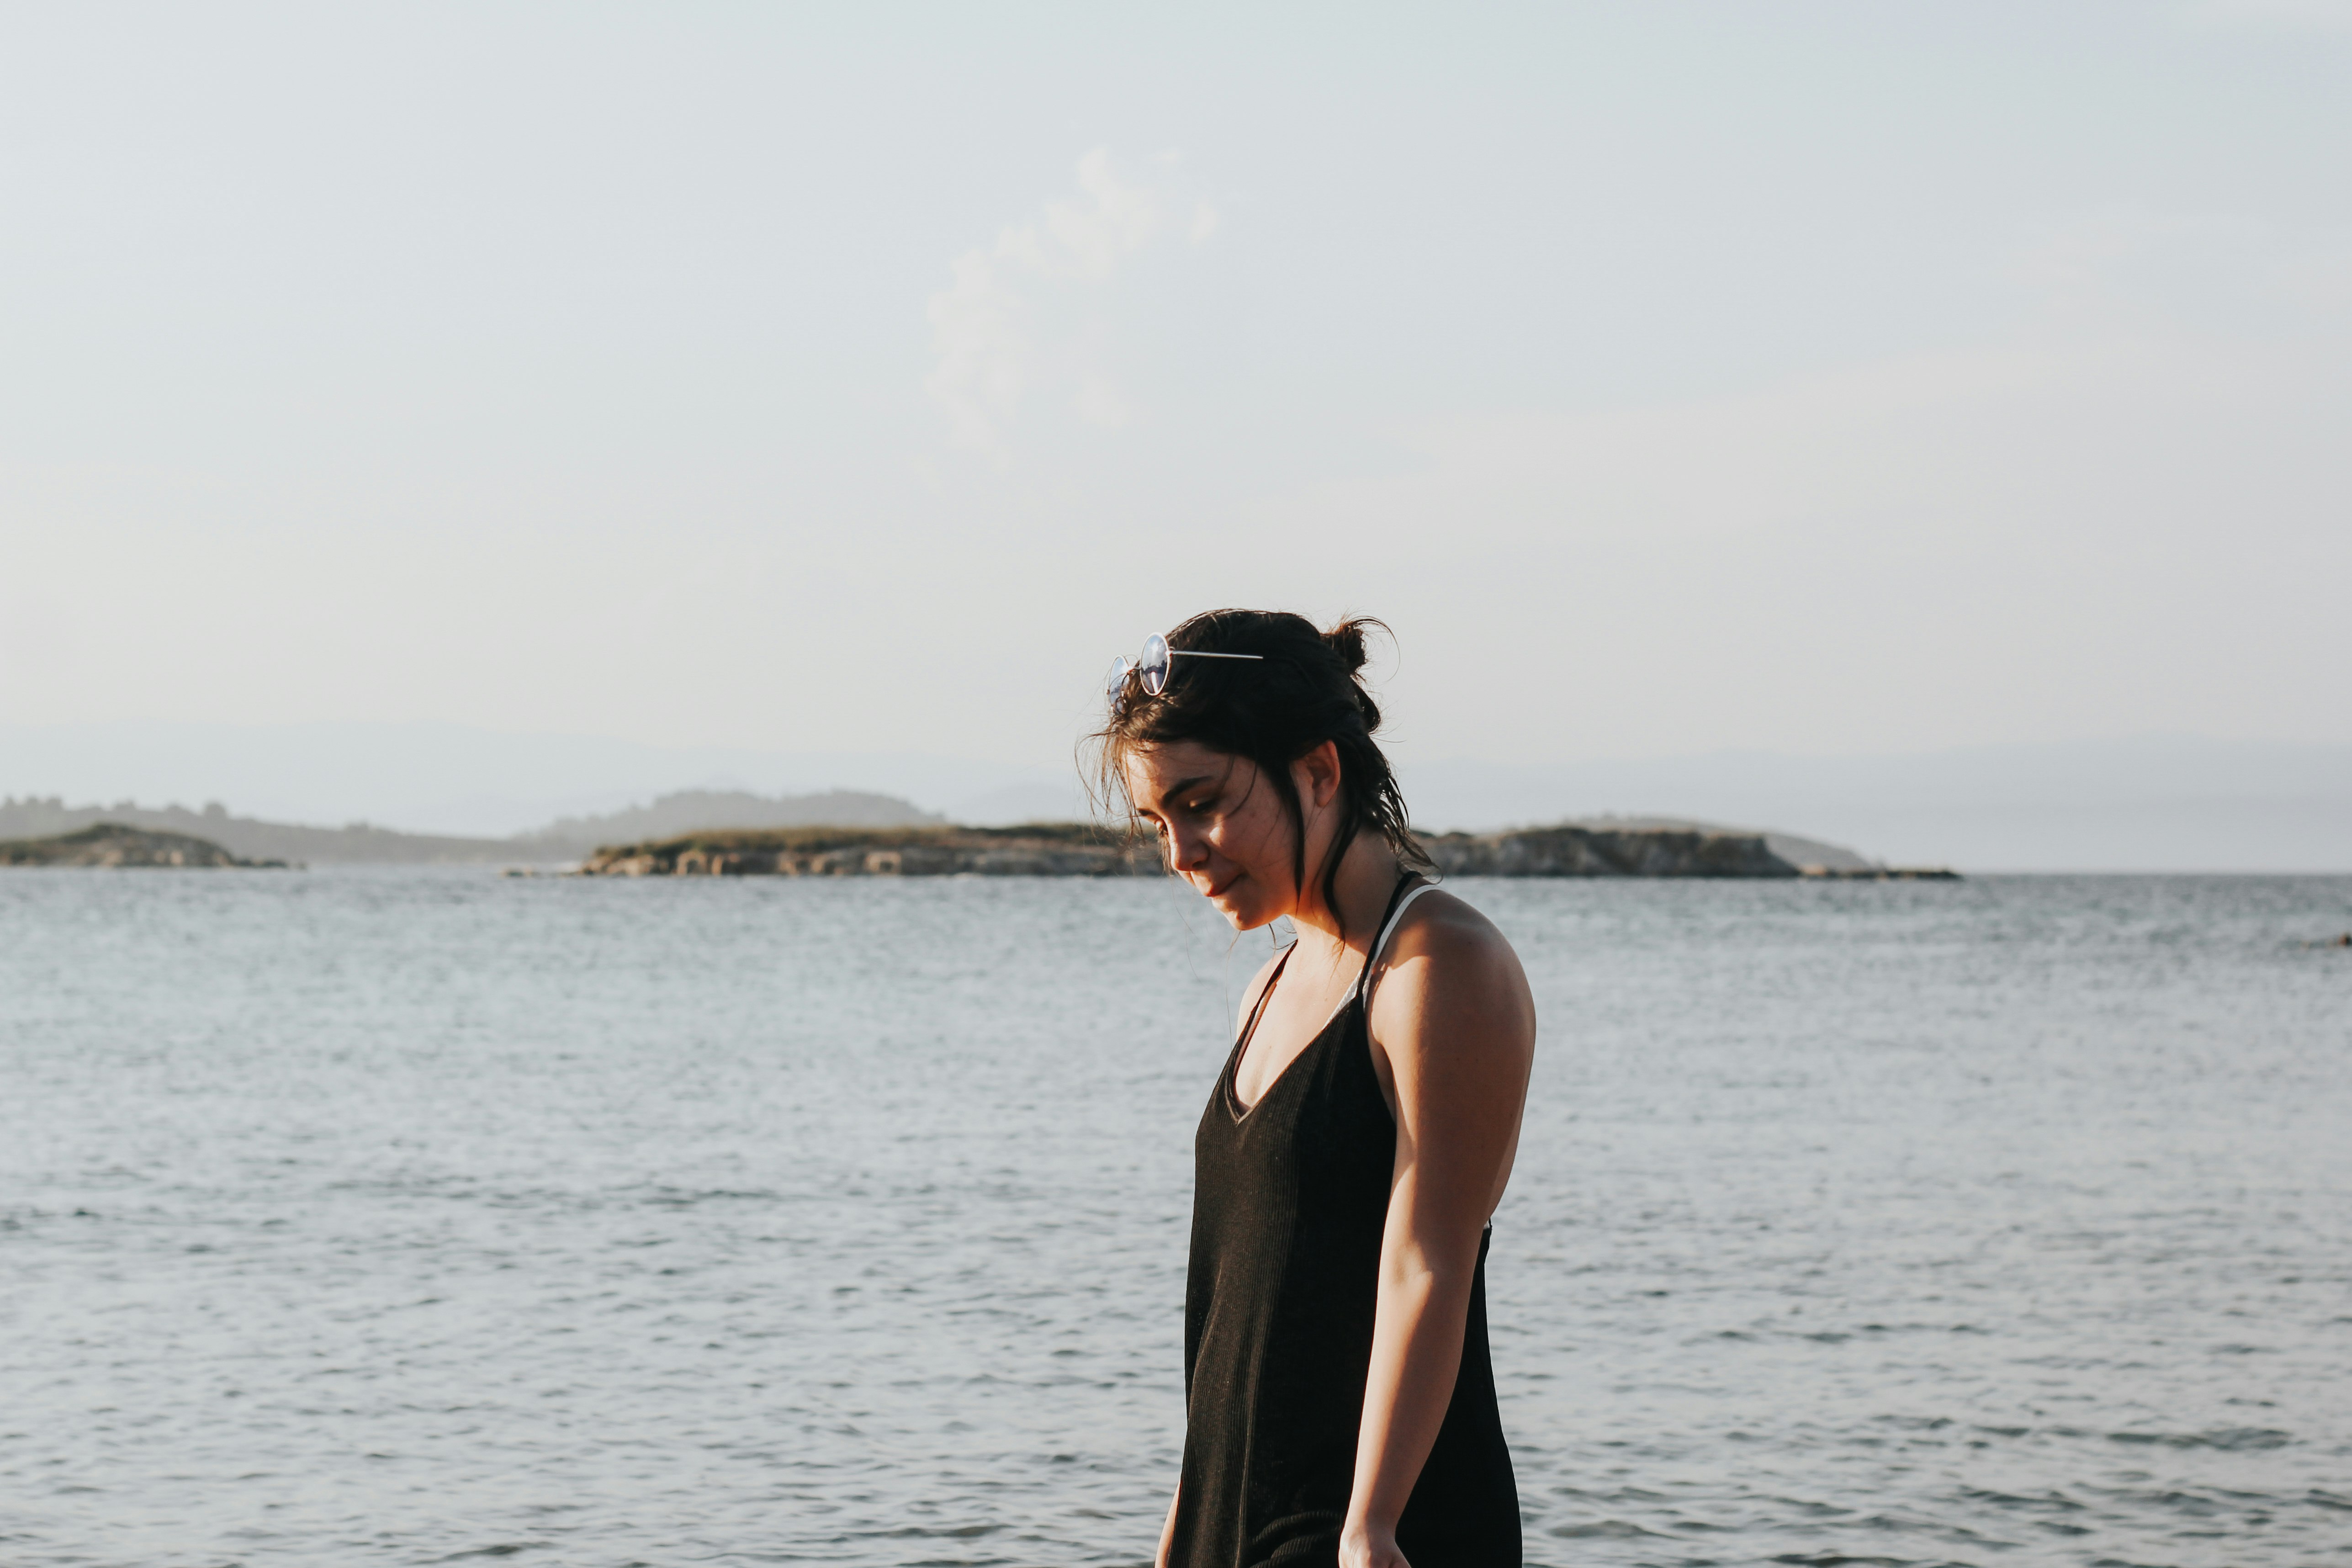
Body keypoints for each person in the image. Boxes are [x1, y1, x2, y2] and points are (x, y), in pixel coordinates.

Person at [1094, 609, 1536, 1568]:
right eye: (1158, 821)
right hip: (1238, 1531)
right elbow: (1230, 1325)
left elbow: (1429, 1263)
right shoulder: (1265, 992)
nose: (1181, 851)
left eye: (1204, 802)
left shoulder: (1437, 968)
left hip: (1380, 1533)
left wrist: (1370, 1525)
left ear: (1321, 772)